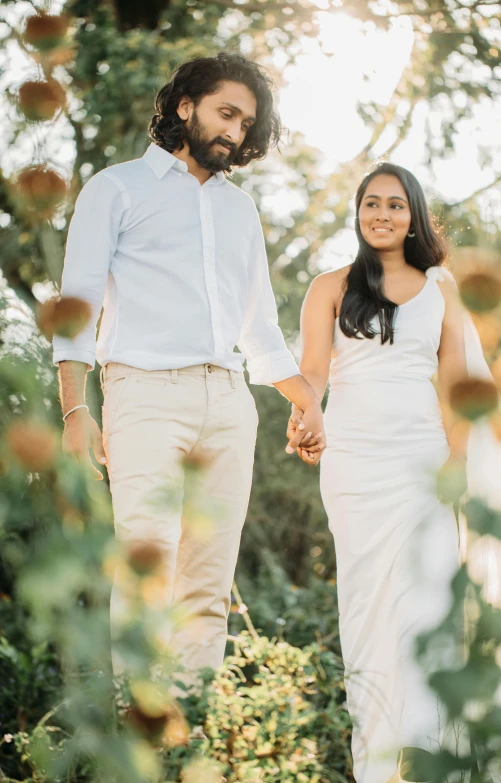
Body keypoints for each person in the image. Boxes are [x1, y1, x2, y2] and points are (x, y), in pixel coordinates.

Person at [52, 52, 325, 678]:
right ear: (185, 106)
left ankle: (190, 744)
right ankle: (141, 745)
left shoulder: (241, 211)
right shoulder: (116, 188)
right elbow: (76, 309)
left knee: (207, 589)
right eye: (225, 113)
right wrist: (75, 410)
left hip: (229, 404)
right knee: (147, 576)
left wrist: (305, 400)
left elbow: (257, 331)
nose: (234, 132)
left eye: (246, 123)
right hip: (143, 397)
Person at [288, 162, 470, 782]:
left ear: (414, 215)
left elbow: (458, 390)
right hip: (355, 463)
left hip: (422, 460)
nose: (382, 214)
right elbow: (313, 371)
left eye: (396, 204)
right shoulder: (330, 287)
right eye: (372, 203)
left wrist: (460, 466)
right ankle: (377, 763)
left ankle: (425, 756)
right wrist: (305, 410)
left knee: (427, 603)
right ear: (358, 212)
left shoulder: (441, 290)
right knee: (367, 611)